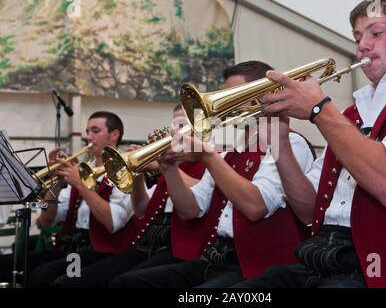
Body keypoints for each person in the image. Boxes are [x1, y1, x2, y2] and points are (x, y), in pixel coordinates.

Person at [235, 0, 386, 288]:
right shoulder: (351, 113)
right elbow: (308, 211)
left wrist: (318, 110)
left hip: (381, 271)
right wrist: (281, 145)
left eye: (376, 33)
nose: (362, 44)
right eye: (358, 36)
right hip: (320, 257)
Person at [109, 60, 316, 288]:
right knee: (127, 283)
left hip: (260, 267)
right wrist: (169, 169)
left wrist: (208, 156)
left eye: (234, 95)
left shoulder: (292, 143)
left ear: (260, 96)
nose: (223, 104)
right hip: (216, 259)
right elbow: (190, 210)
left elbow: (256, 207)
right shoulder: (230, 154)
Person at [55, 105, 206, 287]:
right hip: (139, 246)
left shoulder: (206, 163)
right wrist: (137, 174)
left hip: (170, 249)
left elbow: (113, 223)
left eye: (182, 124)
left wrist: (162, 166)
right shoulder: (169, 169)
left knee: (105, 282)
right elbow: (142, 209)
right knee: (56, 278)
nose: (175, 131)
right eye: (173, 125)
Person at [27, 111, 135, 287]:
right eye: (87, 131)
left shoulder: (124, 172)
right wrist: (57, 180)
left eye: (95, 131)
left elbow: (112, 222)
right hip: (74, 248)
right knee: (23, 265)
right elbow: (47, 220)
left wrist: (80, 184)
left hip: (103, 251)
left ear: (114, 135)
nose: (88, 137)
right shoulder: (86, 168)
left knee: (47, 277)